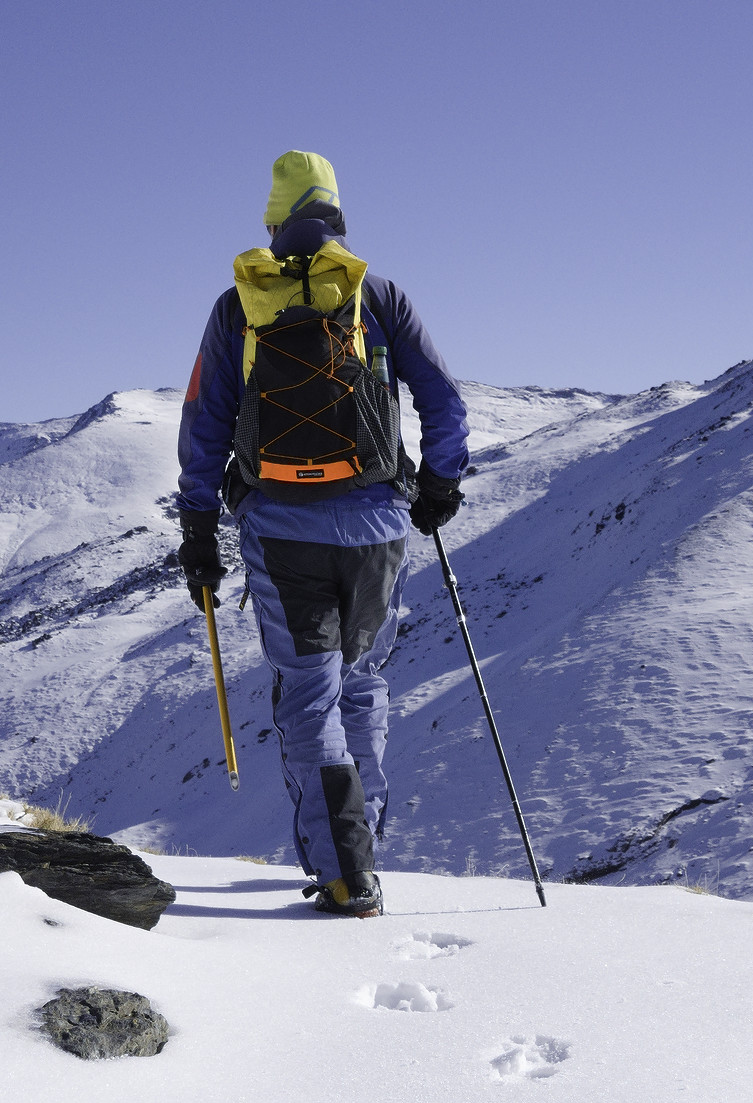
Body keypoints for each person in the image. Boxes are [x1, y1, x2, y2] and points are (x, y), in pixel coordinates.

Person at [173, 150, 469, 917]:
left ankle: (344, 869)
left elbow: (204, 423)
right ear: (339, 215)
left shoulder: (240, 304)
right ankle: (360, 850)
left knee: (309, 694)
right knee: (364, 685)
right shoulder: (380, 295)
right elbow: (443, 397)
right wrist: (438, 484)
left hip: (280, 529)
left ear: (272, 221)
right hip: (376, 528)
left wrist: (198, 524)